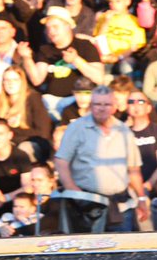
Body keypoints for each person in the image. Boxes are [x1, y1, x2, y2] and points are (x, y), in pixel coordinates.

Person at [53, 85, 147, 231]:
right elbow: (61, 161)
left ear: (114, 107)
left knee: (124, 252)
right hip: (87, 207)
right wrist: (74, 191)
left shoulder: (124, 131)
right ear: (91, 106)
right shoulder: (77, 128)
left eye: (106, 104)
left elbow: (133, 168)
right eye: (97, 104)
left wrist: (141, 198)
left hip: (120, 207)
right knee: (89, 253)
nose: (102, 108)